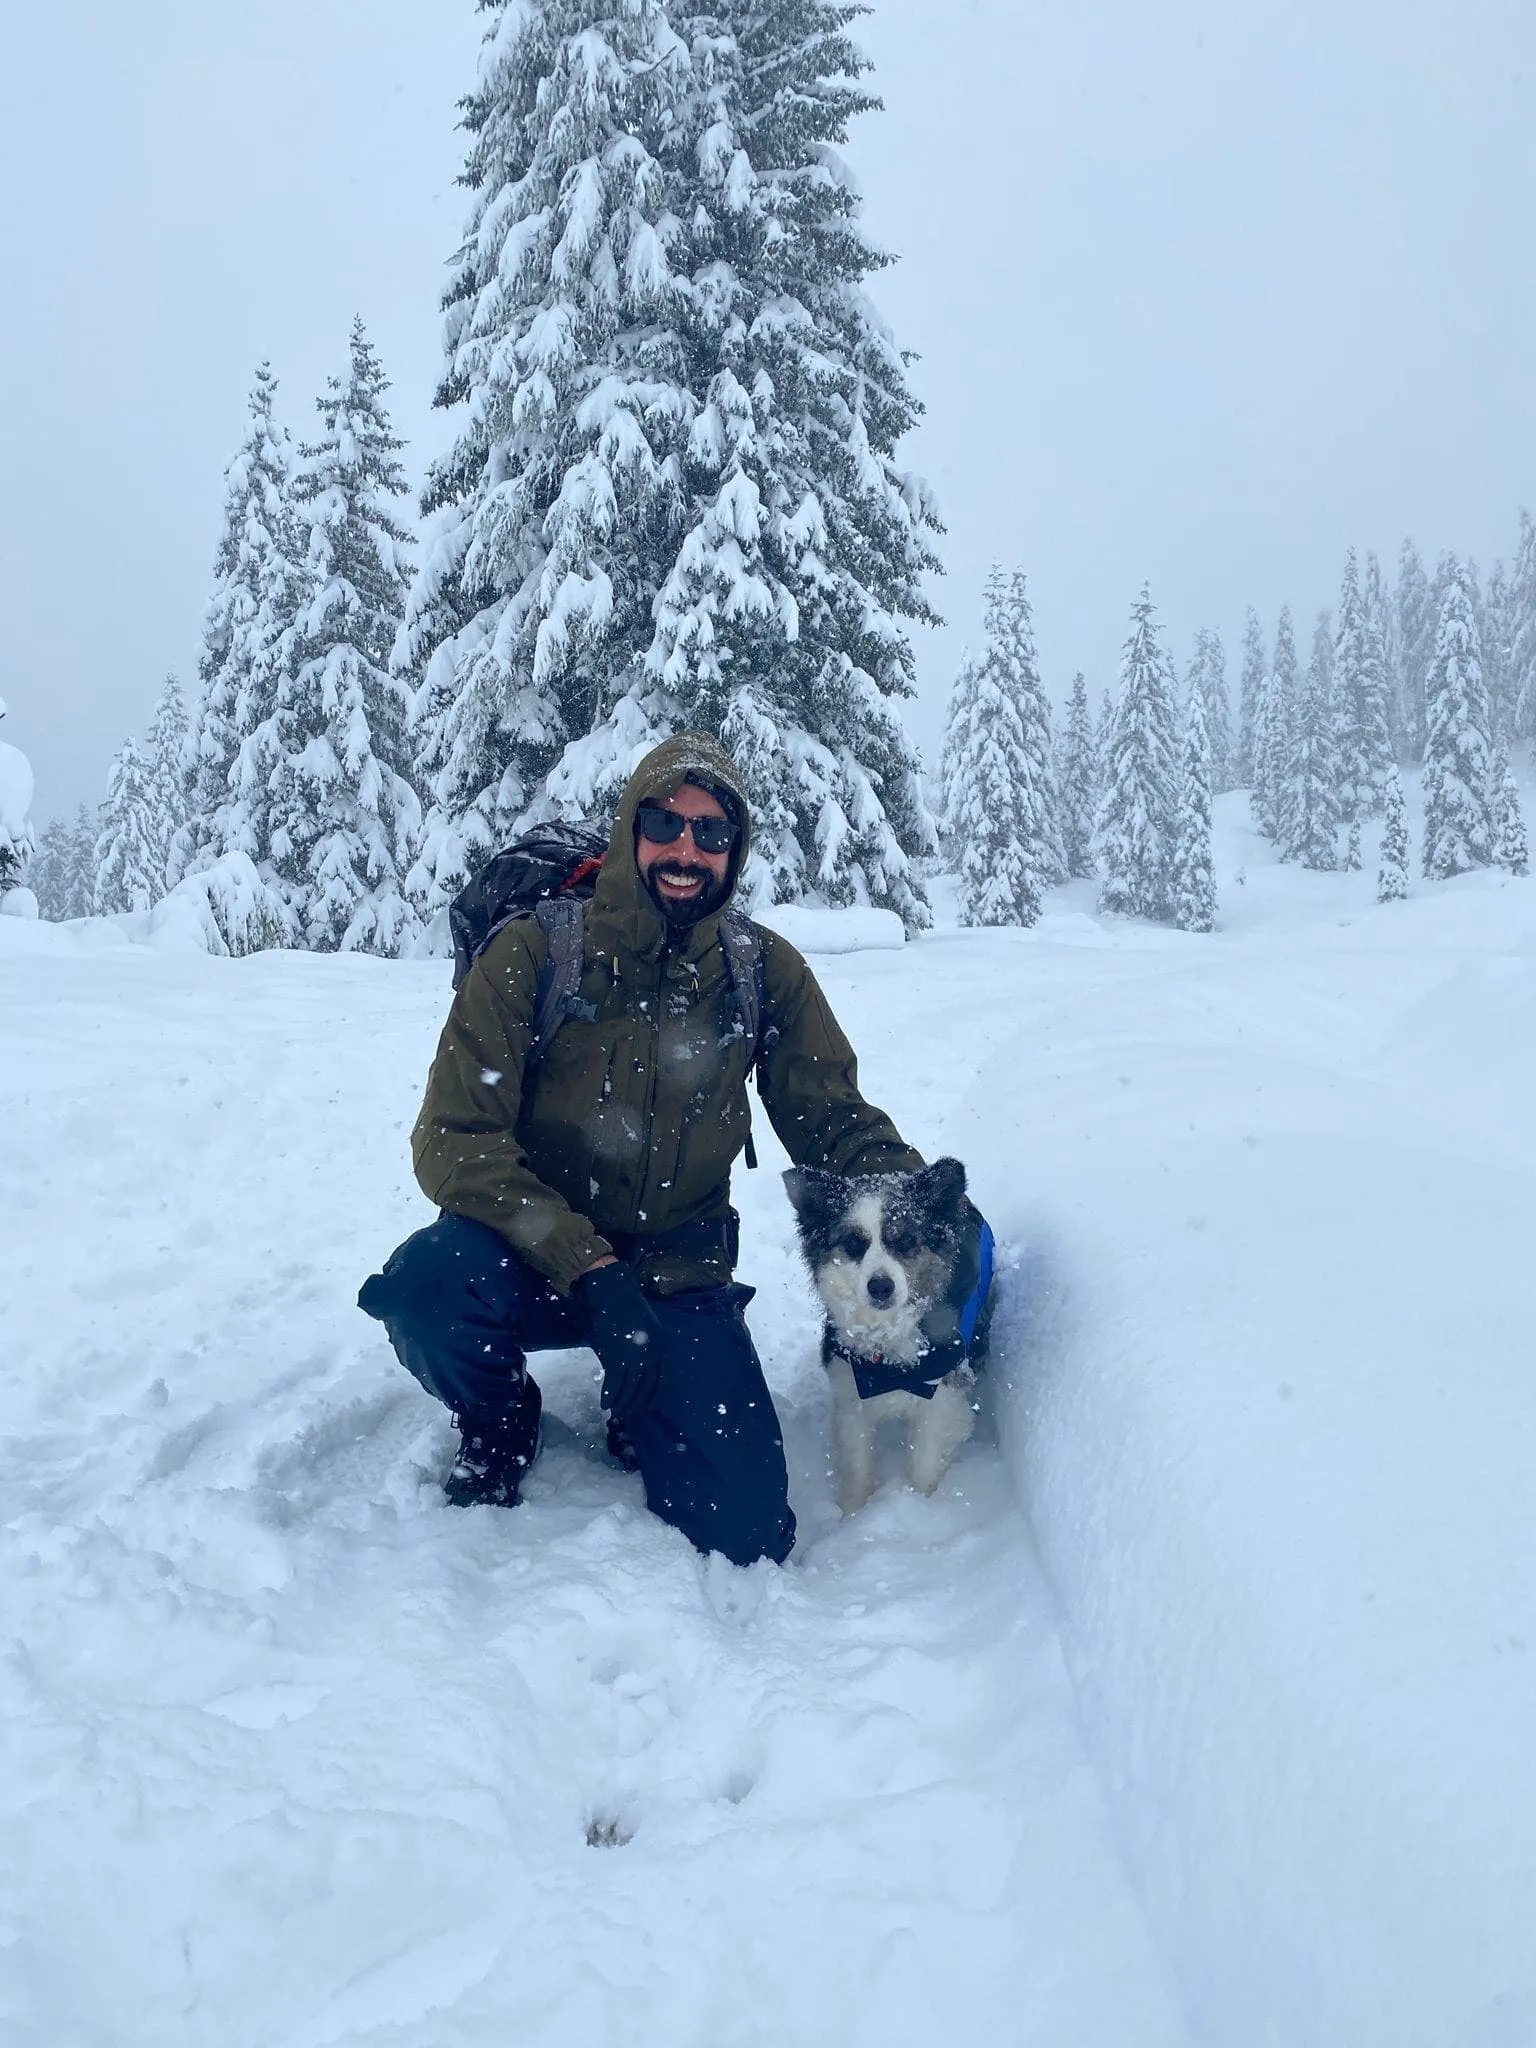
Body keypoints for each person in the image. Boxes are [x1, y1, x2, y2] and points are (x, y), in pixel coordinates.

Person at [359, 731, 938, 1566]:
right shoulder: (534, 951)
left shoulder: (759, 970)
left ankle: (645, 1401)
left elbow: (832, 1116)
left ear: (734, 853)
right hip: (533, 1255)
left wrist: (915, 1194)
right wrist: (584, 1266)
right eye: (667, 821)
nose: (685, 849)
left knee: (746, 1530)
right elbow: (453, 1138)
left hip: (677, 1270)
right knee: (424, 1293)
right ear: (633, 825)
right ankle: (500, 1419)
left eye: (712, 833)